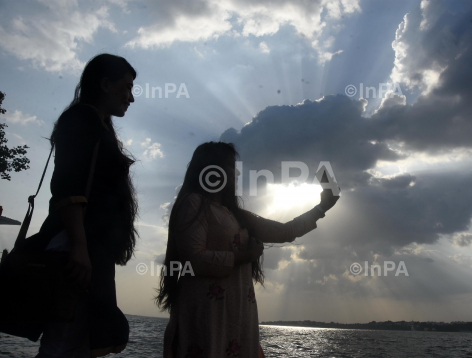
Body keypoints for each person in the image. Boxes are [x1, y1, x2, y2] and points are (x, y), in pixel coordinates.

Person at [157, 141, 340, 358]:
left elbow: (284, 231)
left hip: (237, 313)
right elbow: (194, 259)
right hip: (207, 314)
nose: (235, 172)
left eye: (234, 166)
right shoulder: (193, 204)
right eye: (229, 165)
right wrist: (246, 256)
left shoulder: (235, 214)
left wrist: (322, 207)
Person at [34, 53, 138, 357]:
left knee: (76, 343)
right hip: (75, 249)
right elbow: (68, 185)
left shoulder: (97, 124)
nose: (131, 97)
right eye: (126, 87)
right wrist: (79, 246)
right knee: (64, 343)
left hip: (88, 249)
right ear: (104, 84)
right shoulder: (82, 119)